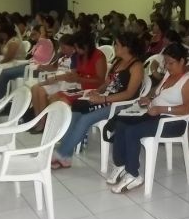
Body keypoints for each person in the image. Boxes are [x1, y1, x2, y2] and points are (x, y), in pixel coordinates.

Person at [106, 43, 189, 193]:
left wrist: (162, 109)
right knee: (121, 123)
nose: (167, 66)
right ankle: (120, 164)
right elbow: (158, 91)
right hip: (155, 114)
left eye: (171, 63)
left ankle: (133, 174)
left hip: (173, 122)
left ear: (182, 61)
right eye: (166, 62)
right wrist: (149, 98)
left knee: (132, 131)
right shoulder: (169, 75)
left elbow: (187, 109)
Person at [51, 32, 145, 169]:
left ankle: (60, 154)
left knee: (85, 119)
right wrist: (98, 91)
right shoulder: (118, 62)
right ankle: (65, 156)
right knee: (75, 113)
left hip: (122, 104)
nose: (114, 47)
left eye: (117, 44)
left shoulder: (136, 67)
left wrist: (104, 99)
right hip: (108, 99)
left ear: (126, 47)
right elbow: (107, 82)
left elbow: (129, 94)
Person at [30, 34, 77, 134]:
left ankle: (44, 123)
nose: (62, 49)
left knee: (41, 91)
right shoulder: (62, 57)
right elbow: (54, 68)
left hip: (65, 85)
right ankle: (37, 119)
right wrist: (42, 67)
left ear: (72, 47)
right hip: (56, 82)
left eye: (64, 47)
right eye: (61, 47)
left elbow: (72, 76)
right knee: (35, 88)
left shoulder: (75, 59)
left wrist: (54, 78)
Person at [56, 32, 107, 105]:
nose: (75, 49)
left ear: (85, 46)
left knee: (61, 102)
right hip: (81, 88)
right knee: (53, 97)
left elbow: (100, 81)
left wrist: (78, 79)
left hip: (94, 91)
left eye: (77, 47)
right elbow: (80, 73)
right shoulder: (80, 55)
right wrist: (71, 76)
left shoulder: (99, 57)